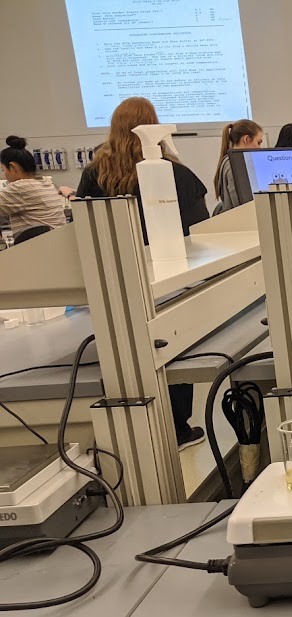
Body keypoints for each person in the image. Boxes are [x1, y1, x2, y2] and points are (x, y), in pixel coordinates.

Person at [76, 97, 210, 450]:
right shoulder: (176, 173)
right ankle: (178, 429)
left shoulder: (93, 175)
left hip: (113, 282)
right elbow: (202, 231)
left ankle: (135, 434)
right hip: (172, 280)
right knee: (175, 349)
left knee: (124, 352)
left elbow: (81, 228)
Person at [0, 136, 67, 235]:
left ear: (12, 167)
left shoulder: (20, 187)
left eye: (3, 170)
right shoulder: (46, 183)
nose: (4, 174)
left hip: (36, 246)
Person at [212, 119, 264, 213]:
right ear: (247, 139)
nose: (259, 148)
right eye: (258, 142)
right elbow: (239, 203)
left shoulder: (231, 162)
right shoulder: (234, 164)